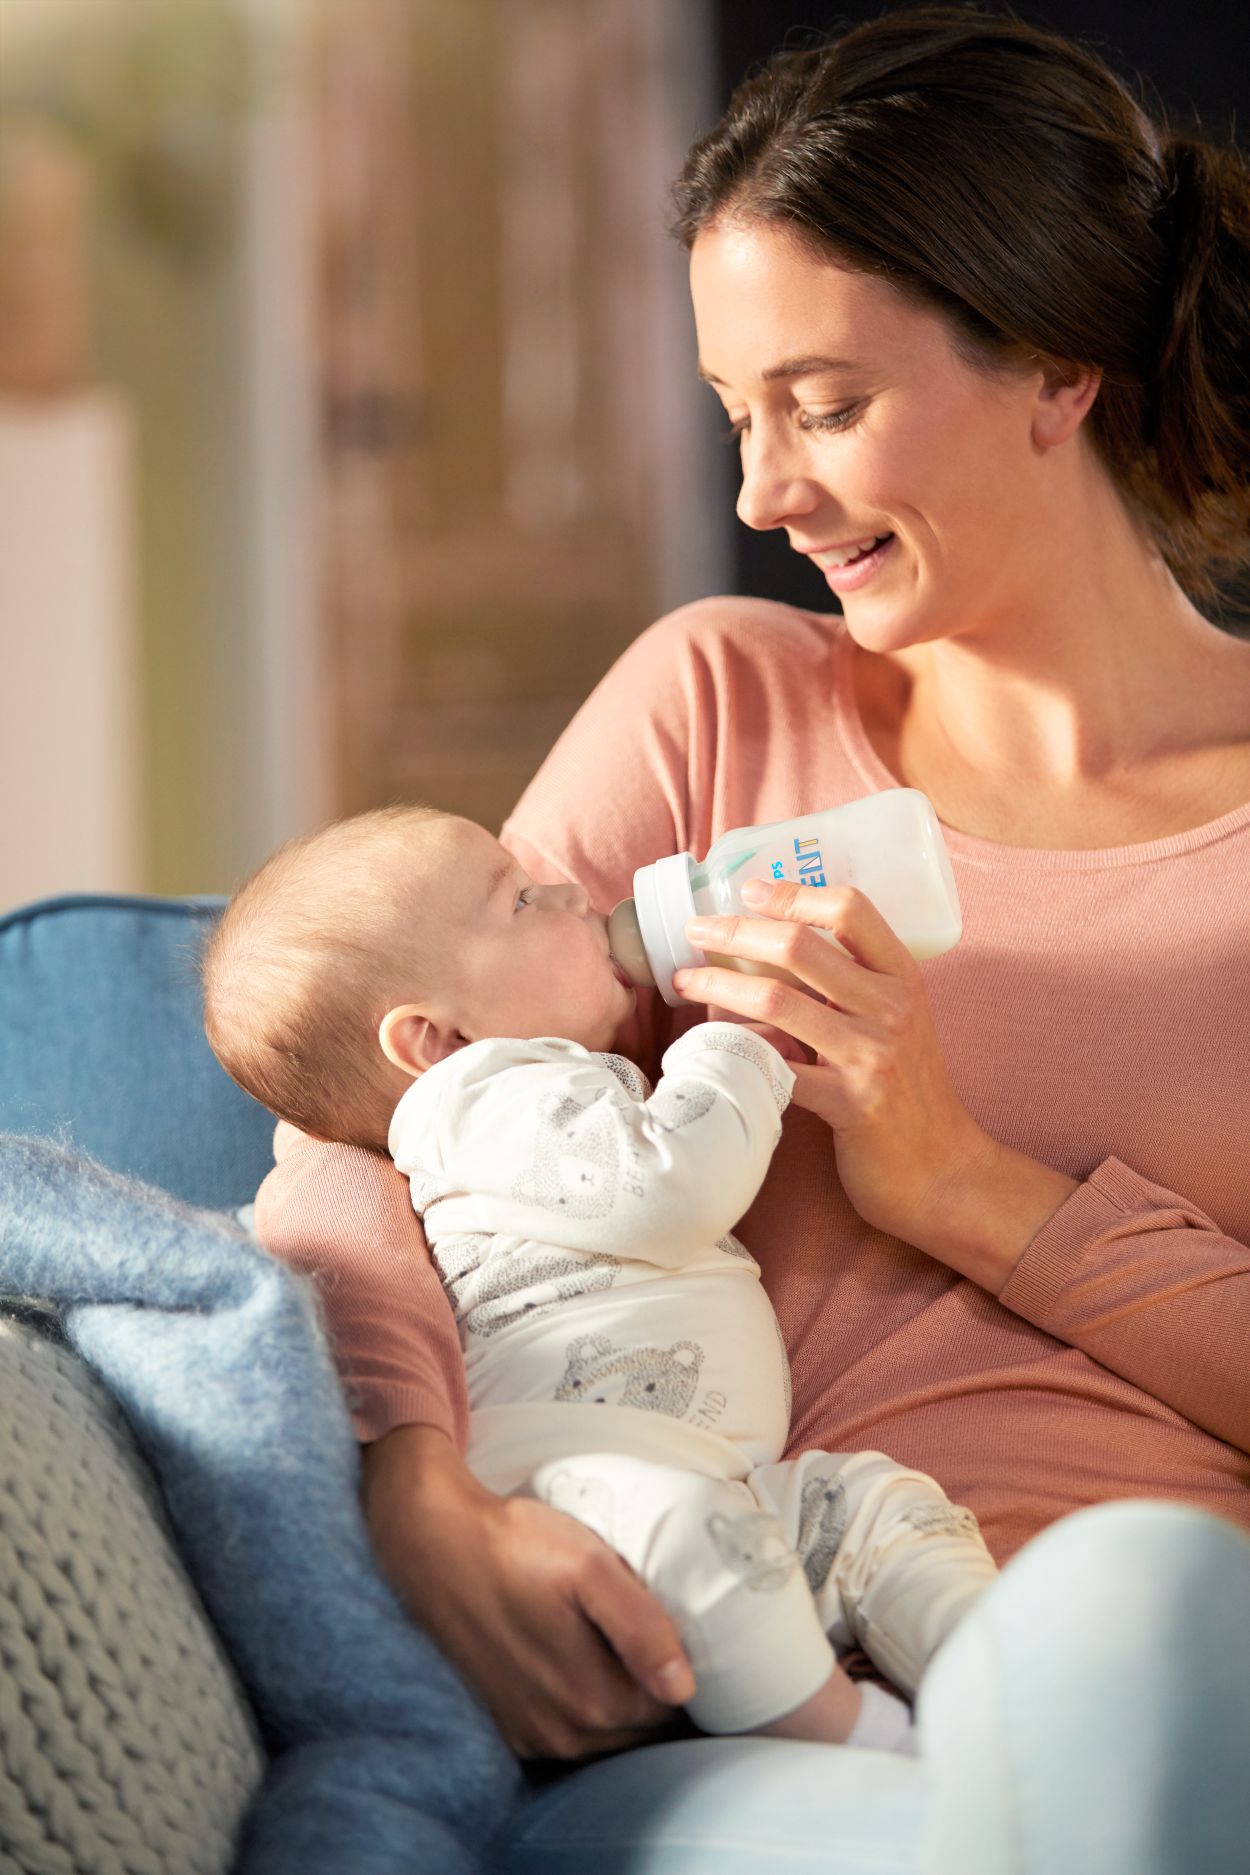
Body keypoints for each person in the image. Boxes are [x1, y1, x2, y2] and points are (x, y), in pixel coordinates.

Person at [253, 7, 1250, 1870]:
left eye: (828, 404)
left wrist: (961, 1183)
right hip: (720, 1675)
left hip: (1147, 1671)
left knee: (1137, 1615)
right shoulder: (718, 706)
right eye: (737, 414)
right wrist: (413, 1490)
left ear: (1061, 369)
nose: (759, 495)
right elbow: (360, 1117)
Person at [203, 803, 999, 1755]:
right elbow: (670, 1185)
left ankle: (999, 1674)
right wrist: (738, 1034)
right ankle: (856, 1736)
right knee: (700, 1529)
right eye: (523, 899)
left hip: (712, 1484)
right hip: (572, 1495)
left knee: (870, 1506)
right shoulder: (481, 1102)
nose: (576, 891)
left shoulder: (535, 1085)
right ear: (435, 1041)